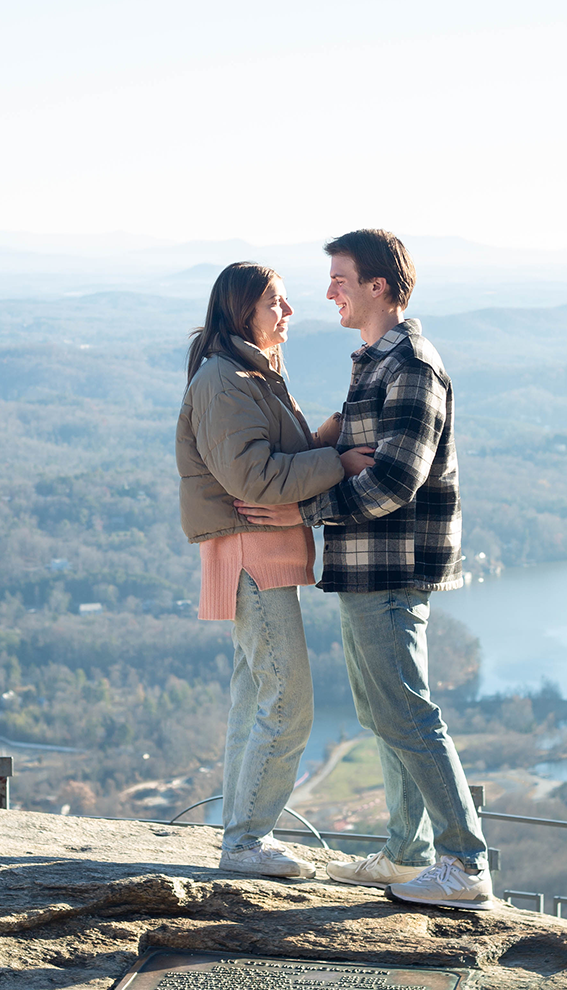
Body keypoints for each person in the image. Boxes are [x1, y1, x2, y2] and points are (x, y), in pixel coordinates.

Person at [236, 229, 493, 910]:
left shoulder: (410, 364)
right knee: (384, 712)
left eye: (341, 279)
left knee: (406, 711)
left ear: (379, 285)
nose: (329, 293)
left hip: (390, 566)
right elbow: (350, 444)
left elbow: (393, 482)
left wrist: (304, 508)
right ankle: (407, 855)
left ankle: (465, 864)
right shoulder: (374, 363)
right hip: (367, 567)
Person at [177, 261, 377, 878]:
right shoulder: (225, 380)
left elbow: (274, 460)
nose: (288, 313)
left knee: (256, 698)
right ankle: (246, 844)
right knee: (287, 699)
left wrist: (322, 440)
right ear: (242, 311)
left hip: (258, 552)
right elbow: (256, 479)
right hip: (250, 555)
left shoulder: (253, 374)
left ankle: (241, 835)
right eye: (276, 304)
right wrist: (339, 464)